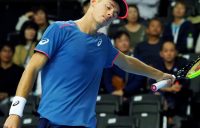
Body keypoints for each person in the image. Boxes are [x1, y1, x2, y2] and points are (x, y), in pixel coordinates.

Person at [4, 0, 174, 128]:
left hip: (87, 124)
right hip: (53, 122)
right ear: (93, 2)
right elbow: (32, 68)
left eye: (115, 13)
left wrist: (160, 75)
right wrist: (15, 112)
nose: (111, 14)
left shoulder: (104, 44)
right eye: (108, 7)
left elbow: (128, 62)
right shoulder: (60, 29)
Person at [154, 40, 191, 127]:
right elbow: (152, 85)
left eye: (171, 50)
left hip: (179, 98)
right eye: (166, 51)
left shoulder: (183, 63)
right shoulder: (157, 65)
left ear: (176, 52)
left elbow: (186, 81)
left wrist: (179, 87)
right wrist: (169, 89)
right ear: (161, 53)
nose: (169, 53)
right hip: (163, 98)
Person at [103, 30, 146, 97]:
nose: (123, 43)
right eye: (120, 41)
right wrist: (113, 92)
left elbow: (139, 79)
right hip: (114, 94)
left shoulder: (138, 59)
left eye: (126, 40)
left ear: (129, 42)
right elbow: (107, 79)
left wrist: (124, 91)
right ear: (115, 44)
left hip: (133, 94)